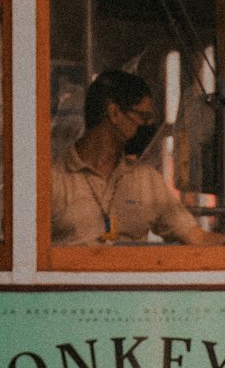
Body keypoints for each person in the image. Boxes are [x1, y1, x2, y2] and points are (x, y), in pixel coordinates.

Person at [48, 68, 206, 247]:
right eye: (143, 117)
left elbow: (196, 238)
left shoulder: (146, 180)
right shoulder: (52, 177)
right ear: (114, 113)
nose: (148, 127)